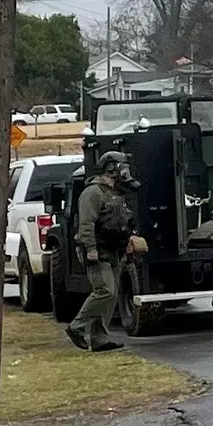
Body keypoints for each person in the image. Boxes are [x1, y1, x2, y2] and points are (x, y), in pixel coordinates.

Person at [65, 151, 140, 352]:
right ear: (111, 168)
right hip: (98, 251)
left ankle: (99, 338)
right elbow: (86, 224)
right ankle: (76, 327)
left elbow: (123, 221)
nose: (124, 171)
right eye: (121, 166)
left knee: (112, 296)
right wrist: (90, 249)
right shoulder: (92, 193)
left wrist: (129, 243)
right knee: (105, 291)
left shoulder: (116, 193)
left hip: (115, 250)